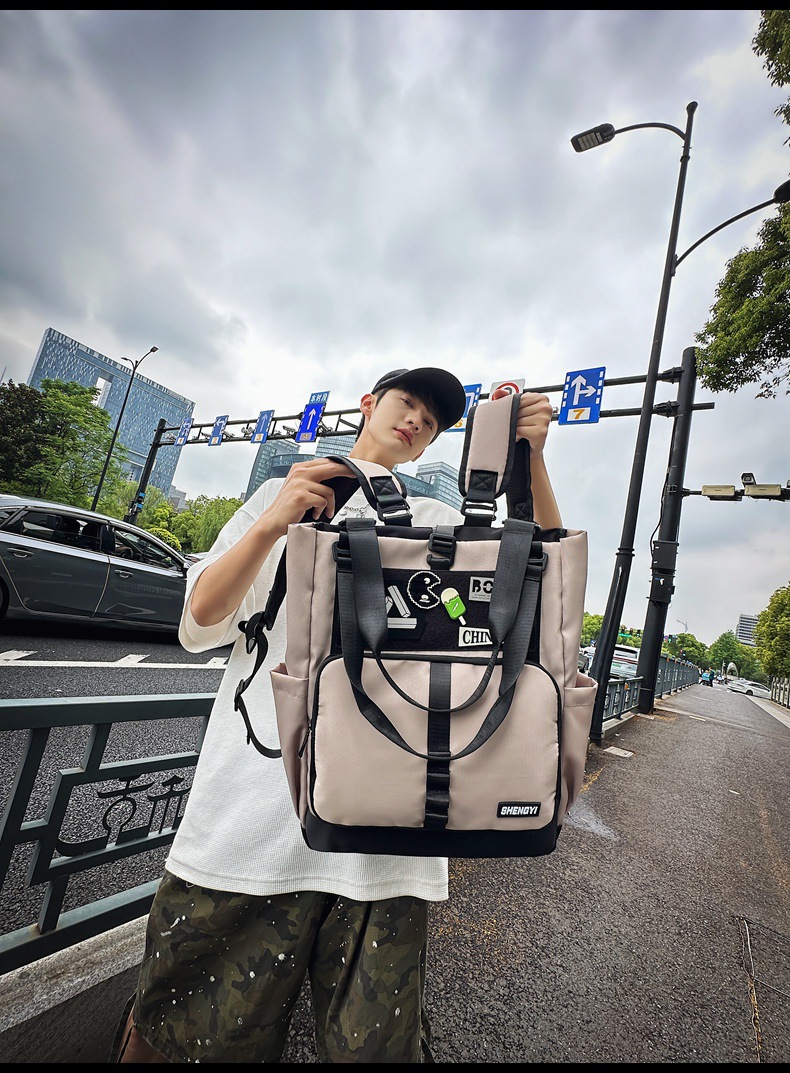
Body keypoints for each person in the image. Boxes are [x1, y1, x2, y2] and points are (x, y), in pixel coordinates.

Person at [114, 367, 561, 1064]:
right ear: (368, 404)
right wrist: (273, 522)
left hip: (388, 845)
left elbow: (547, 583)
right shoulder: (284, 492)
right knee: (186, 1042)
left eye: (432, 421)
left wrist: (528, 461)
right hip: (249, 826)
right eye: (406, 402)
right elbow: (199, 623)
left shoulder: (437, 521)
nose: (416, 420)